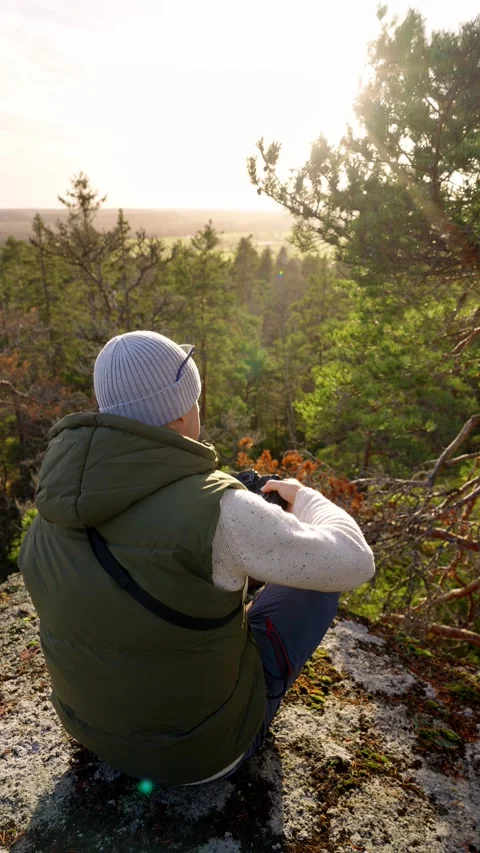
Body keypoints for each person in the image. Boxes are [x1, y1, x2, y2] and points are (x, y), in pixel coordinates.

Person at [19, 331, 375, 786]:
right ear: (186, 410)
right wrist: (306, 498)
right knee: (313, 583)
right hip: (199, 754)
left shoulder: (54, 499)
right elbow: (353, 561)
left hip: (87, 729)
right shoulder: (220, 508)